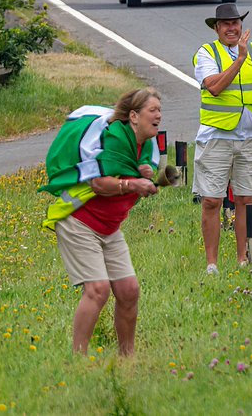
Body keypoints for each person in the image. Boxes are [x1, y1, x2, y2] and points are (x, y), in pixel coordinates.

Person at [39, 88, 164, 356]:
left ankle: (127, 359)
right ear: (133, 116)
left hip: (109, 228)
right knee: (97, 290)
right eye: (152, 110)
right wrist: (132, 184)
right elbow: (98, 183)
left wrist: (144, 175)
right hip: (79, 222)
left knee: (129, 290)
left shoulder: (146, 144)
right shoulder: (115, 138)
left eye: (160, 110)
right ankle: (78, 359)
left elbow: (135, 169)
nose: (158, 116)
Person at [193, 3, 252, 274]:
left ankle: (243, 259)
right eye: (226, 24)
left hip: (251, 137)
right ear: (217, 28)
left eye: (236, 23)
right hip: (217, 136)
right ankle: (212, 264)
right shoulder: (206, 53)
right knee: (212, 200)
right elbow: (214, 87)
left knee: (246, 200)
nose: (232, 28)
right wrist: (239, 59)